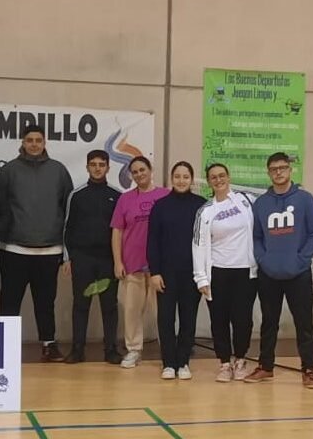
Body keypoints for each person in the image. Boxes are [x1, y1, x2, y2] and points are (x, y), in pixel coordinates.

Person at [0, 124, 73, 362]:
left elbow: (67, 209)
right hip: (13, 249)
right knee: (10, 301)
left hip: (49, 250)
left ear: (44, 142)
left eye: (38, 140)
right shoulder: (9, 171)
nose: (34, 144)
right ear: (23, 142)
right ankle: (4, 348)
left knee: (45, 302)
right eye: (30, 140)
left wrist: (65, 249)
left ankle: (48, 345)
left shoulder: (58, 170)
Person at [246, 152, 313, 389]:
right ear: (268, 173)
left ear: (290, 170)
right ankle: (265, 366)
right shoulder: (261, 204)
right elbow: (256, 237)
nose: (278, 172)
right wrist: (263, 259)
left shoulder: (305, 199)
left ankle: (309, 370)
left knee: (304, 323)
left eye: (282, 168)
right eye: (273, 169)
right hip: (269, 274)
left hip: (299, 274)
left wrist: (301, 260)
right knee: (269, 322)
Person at [192, 163, 258, 383]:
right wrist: (201, 277)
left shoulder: (246, 200)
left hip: (245, 273)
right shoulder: (205, 211)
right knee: (219, 320)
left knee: (242, 320)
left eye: (222, 175)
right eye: (213, 177)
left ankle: (240, 360)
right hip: (218, 273)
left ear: (228, 177)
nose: (218, 180)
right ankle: (224, 363)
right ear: (209, 182)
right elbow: (198, 244)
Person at [62, 149, 122, 365]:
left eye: (101, 164)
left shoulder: (117, 195)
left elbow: (121, 231)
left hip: (107, 260)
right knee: (81, 304)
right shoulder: (77, 195)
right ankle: (77, 350)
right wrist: (67, 258)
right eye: (93, 164)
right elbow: (67, 227)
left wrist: (120, 261)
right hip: (83, 259)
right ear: (87, 167)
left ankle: (111, 349)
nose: (97, 168)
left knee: (109, 305)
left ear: (108, 167)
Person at [148, 161, 206, 380]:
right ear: (171, 179)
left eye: (186, 177)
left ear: (191, 179)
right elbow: (152, 241)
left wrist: (203, 275)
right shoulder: (160, 206)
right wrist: (154, 272)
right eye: (177, 176)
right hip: (166, 274)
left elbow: (207, 242)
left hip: (192, 274)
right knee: (165, 319)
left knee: (188, 319)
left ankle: (183, 362)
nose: (181, 180)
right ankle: (168, 364)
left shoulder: (201, 206)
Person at [111, 156, 169, 368]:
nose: (139, 174)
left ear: (150, 170)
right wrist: (118, 262)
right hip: (132, 263)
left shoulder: (165, 195)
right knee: (132, 310)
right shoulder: (125, 199)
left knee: (163, 311)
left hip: (159, 267)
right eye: (134, 172)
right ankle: (134, 350)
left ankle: (169, 350)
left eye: (142, 170)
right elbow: (117, 231)